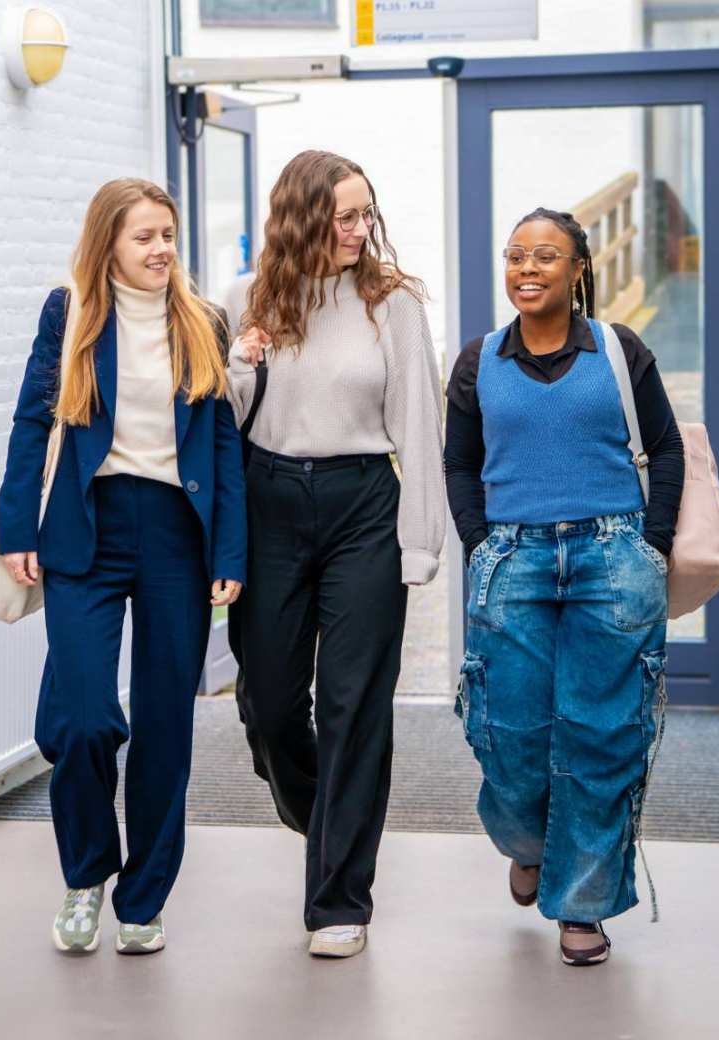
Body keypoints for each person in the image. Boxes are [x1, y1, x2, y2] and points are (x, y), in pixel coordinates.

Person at [0, 178, 246, 955]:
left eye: (168, 233)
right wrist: (15, 526)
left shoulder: (202, 319)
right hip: (85, 526)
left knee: (167, 725)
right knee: (84, 722)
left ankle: (143, 900)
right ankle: (86, 875)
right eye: (144, 236)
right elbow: (34, 420)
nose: (161, 249)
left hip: (176, 532)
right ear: (107, 243)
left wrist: (229, 547)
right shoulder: (69, 312)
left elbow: (224, 442)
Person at [443, 206, 684, 966]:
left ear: (578, 268)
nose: (527, 269)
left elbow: (668, 447)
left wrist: (651, 547)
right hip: (511, 559)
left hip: (610, 557)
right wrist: (480, 544)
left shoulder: (618, 351)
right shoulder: (478, 361)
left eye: (545, 256)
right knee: (508, 735)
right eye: (515, 255)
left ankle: (582, 905)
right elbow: (459, 464)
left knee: (602, 734)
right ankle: (526, 841)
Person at [226, 150, 445, 959]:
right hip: (267, 502)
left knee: (355, 704)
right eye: (343, 216)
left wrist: (420, 544)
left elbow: (420, 426)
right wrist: (239, 361)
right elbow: (229, 418)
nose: (359, 230)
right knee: (272, 703)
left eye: (365, 214)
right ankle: (322, 815)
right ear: (304, 217)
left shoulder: (391, 304)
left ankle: (338, 899)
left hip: (362, 504)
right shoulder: (245, 299)